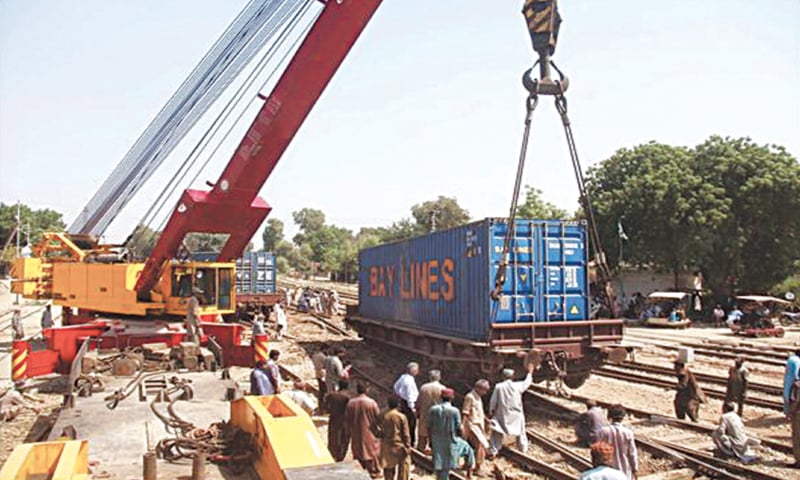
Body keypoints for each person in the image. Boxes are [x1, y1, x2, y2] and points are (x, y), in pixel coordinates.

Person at [488, 363, 534, 456]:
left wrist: (491, 411)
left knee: (497, 431)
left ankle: (494, 450)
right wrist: (530, 372)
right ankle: (523, 449)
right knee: (521, 431)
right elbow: (527, 382)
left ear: (503, 377)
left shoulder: (498, 386)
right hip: (516, 413)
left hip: (502, 413)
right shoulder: (517, 386)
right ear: (513, 377)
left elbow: (493, 401)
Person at [427, 388, 467, 480]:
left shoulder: (433, 409)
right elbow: (459, 427)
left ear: (441, 397)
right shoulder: (455, 411)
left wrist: (430, 440)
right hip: (450, 441)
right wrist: (461, 438)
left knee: (439, 465)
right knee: (446, 465)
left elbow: (428, 426)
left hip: (436, 441)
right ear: (452, 398)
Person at [346, 383, 381, 477]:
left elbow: (348, 419)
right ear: (367, 390)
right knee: (372, 451)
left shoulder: (351, 403)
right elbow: (378, 418)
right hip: (370, 431)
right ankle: (374, 472)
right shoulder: (371, 403)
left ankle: (360, 471)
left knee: (358, 451)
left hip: (356, 431)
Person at [596, 405, 638, 480]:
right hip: (625, 470)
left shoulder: (602, 432)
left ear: (609, 417)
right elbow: (632, 453)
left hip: (608, 470)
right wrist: (635, 469)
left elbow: (598, 451)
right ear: (623, 417)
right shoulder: (628, 433)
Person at [374, 396, 411, 480]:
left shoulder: (383, 414)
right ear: (398, 404)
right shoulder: (401, 416)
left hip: (387, 444)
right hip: (399, 445)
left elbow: (373, 426)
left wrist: (379, 434)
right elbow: (406, 434)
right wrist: (408, 446)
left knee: (388, 468)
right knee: (403, 467)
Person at [461, 379, 490, 473]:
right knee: (480, 445)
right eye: (484, 390)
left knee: (475, 445)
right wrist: (464, 427)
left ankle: (469, 464)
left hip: (479, 425)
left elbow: (479, 411)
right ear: (478, 388)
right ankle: (478, 467)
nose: (485, 392)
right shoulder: (470, 397)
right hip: (472, 425)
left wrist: (486, 419)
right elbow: (465, 412)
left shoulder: (478, 397)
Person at [417, 369, 445, 450]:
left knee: (422, 436)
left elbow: (418, 402)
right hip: (438, 416)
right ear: (439, 378)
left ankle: (419, 453)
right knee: (436, 437)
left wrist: (418, 412)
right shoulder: (442, 388)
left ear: (430, 377)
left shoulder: (424, 387)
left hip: (425, 414)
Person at [393, 362, 420, 445]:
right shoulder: (409, 382)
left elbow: (395, 387)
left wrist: (400, 394)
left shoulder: (403, 377)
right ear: (413, 371)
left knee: (404, 422)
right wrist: (412, 408)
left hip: (403, 402)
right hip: (408, 405)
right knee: (410, 424)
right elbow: (410, 395)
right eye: (417, 370)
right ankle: (410, 441)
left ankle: (404, 439)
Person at [325, 380, 351, 461]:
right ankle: (340, 456)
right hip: (344, 420)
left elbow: (325, 407)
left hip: (333, 419)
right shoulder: (347, 397)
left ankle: (332, 453)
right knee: (344, 438)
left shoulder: (331, 395)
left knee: (333, 436)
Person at [788, 376, 800, 467]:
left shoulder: (797, 385)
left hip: (798, 414)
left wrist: (790, 412)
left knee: (797, 437)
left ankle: (798, 461)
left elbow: (795, 401)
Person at [312, 348, 327, 413]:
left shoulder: (314, 355)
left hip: (317, 372)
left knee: (321, 390)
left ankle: (320, 406)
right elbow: (326, 365)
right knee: (324, 391)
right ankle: (324, 407)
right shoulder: (323, 356)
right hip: (323, 373)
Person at [785, 351, 800, 415]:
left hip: (788, 379)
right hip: (794, 380)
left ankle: (787, 411)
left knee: (788, 395)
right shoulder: (797, 361)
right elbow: (796, 373)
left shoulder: (791, 359)